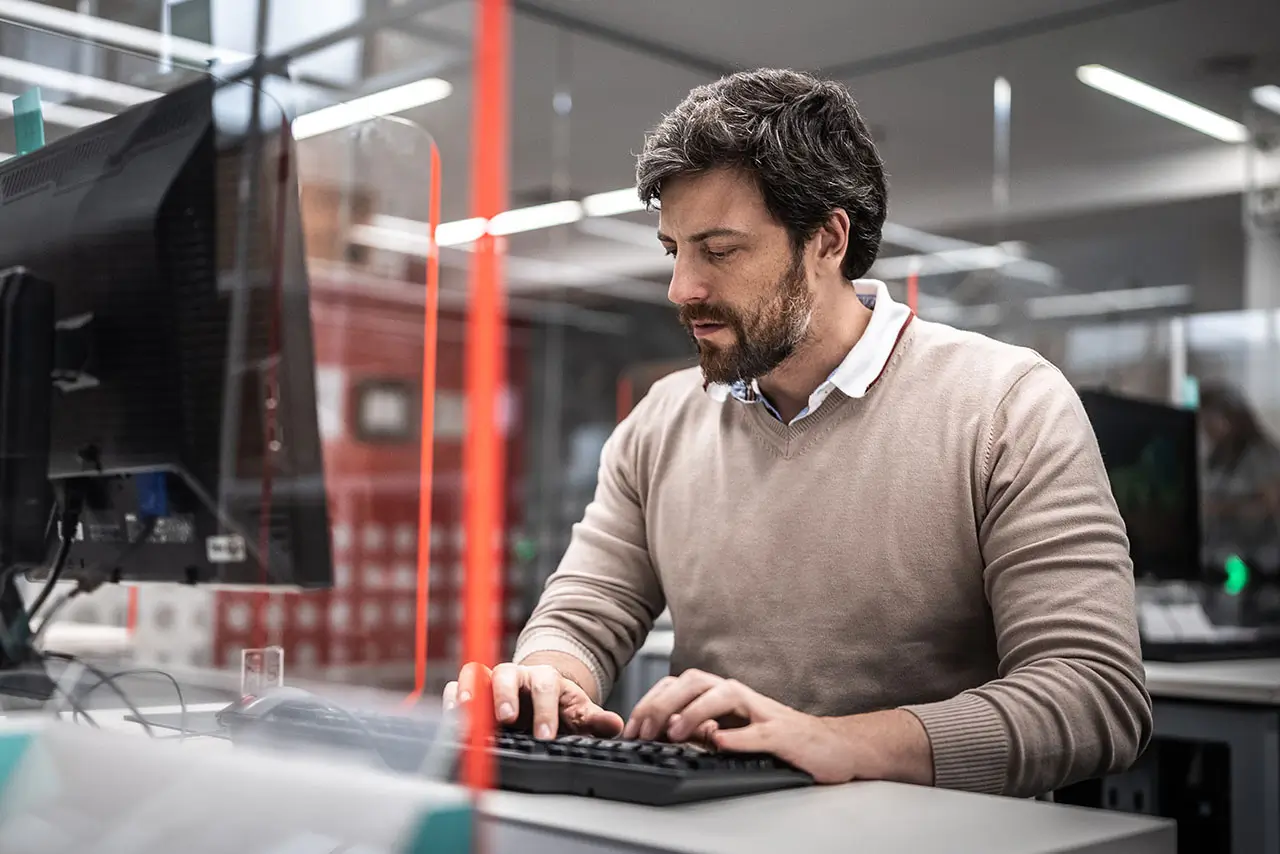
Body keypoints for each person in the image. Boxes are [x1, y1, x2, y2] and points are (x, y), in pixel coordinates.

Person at [445, 68, 1152, 799]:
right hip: (717, 831)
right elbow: (584, 612)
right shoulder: (662, 420)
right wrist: (548, 679)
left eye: (718, 250)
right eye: (674, 250)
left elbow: (1096, 697)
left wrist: (834, 741)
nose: (681, 288)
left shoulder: (1006, 406)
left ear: (827, 239)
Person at [1198, 382, 1280, 571]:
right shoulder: (1216, 459)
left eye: (1212, 417)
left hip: (1259, 562)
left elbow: (1270, 504)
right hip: (1218, 560)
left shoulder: (1262, 456)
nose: (1207, 426)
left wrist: (1222, 508)